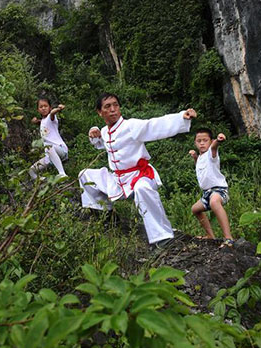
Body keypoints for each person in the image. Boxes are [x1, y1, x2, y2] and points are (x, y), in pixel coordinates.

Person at [79, 93, 197, 247]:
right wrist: (93, 132)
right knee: (85, 175)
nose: (113, 109)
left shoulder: (130, 126)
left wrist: (182, 117)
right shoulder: (104, 131)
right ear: (100, 112)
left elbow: (154, 125)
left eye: (116, 105)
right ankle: (104, 215)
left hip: (139, 175)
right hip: (117, 179)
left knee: (143, 188)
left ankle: (162, 237)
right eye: (107, 107)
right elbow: (102, 143)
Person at [188, 128, 233, 247]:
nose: (202, 143)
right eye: (199, 141)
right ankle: (210, 236)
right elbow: (200, 166)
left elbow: (214, 147)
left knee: (214, 202)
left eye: (205, 140)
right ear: (195, 143)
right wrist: (195, 157)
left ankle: (228, 238)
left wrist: (218, 140)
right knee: (195, 209)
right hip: (206, 193)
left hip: (219, 190)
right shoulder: (201, 157)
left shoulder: (211, 154)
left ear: (210, 141)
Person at [29, 97, 68, 180]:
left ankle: (62, 174)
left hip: (60, 149)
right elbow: (43, 124)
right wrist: (36, 122)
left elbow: (53, 113)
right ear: (38, 110)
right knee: (31, 170)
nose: (43, 108)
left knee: (49, 147)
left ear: (50, 107)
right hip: (49, 156)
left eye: (45, 106)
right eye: (41, 107)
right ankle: (44, 181)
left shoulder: (51, 118)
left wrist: (58, 109)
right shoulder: (43, 121)